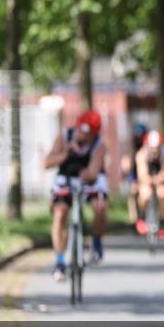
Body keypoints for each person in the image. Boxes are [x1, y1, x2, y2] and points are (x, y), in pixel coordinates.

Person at [43, 109, 109, 282]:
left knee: (100, 207)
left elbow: (93, 173)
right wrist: (66, 153)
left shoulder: (99, 144)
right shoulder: (64, 136)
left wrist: (84, 175)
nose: (83, 137)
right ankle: (59, 262)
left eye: (88, 134)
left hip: (89, 179)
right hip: (66, 178)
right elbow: (47, 163)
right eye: (81, 131)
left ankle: (96, 242)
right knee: (60, 214)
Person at [135, 130, 164, 239]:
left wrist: (159, 179)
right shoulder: (141, 154)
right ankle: (141, 217)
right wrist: (148, 181)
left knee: (162, 193)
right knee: (145, 194)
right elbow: (142, 174)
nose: (155, 150)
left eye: (157, 147)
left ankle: (162, 222)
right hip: (147, 176)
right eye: (152, 148)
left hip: (160, 176)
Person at [121, 122, 148, 231]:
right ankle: (134, 220)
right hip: (134, 176)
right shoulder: (131, 148)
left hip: (146, 176)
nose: (138, 138)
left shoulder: (148, 148)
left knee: (144, 194)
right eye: (137, 135)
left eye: (140, 135)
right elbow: (126, 164)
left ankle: (143, 215)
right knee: (132, 194)